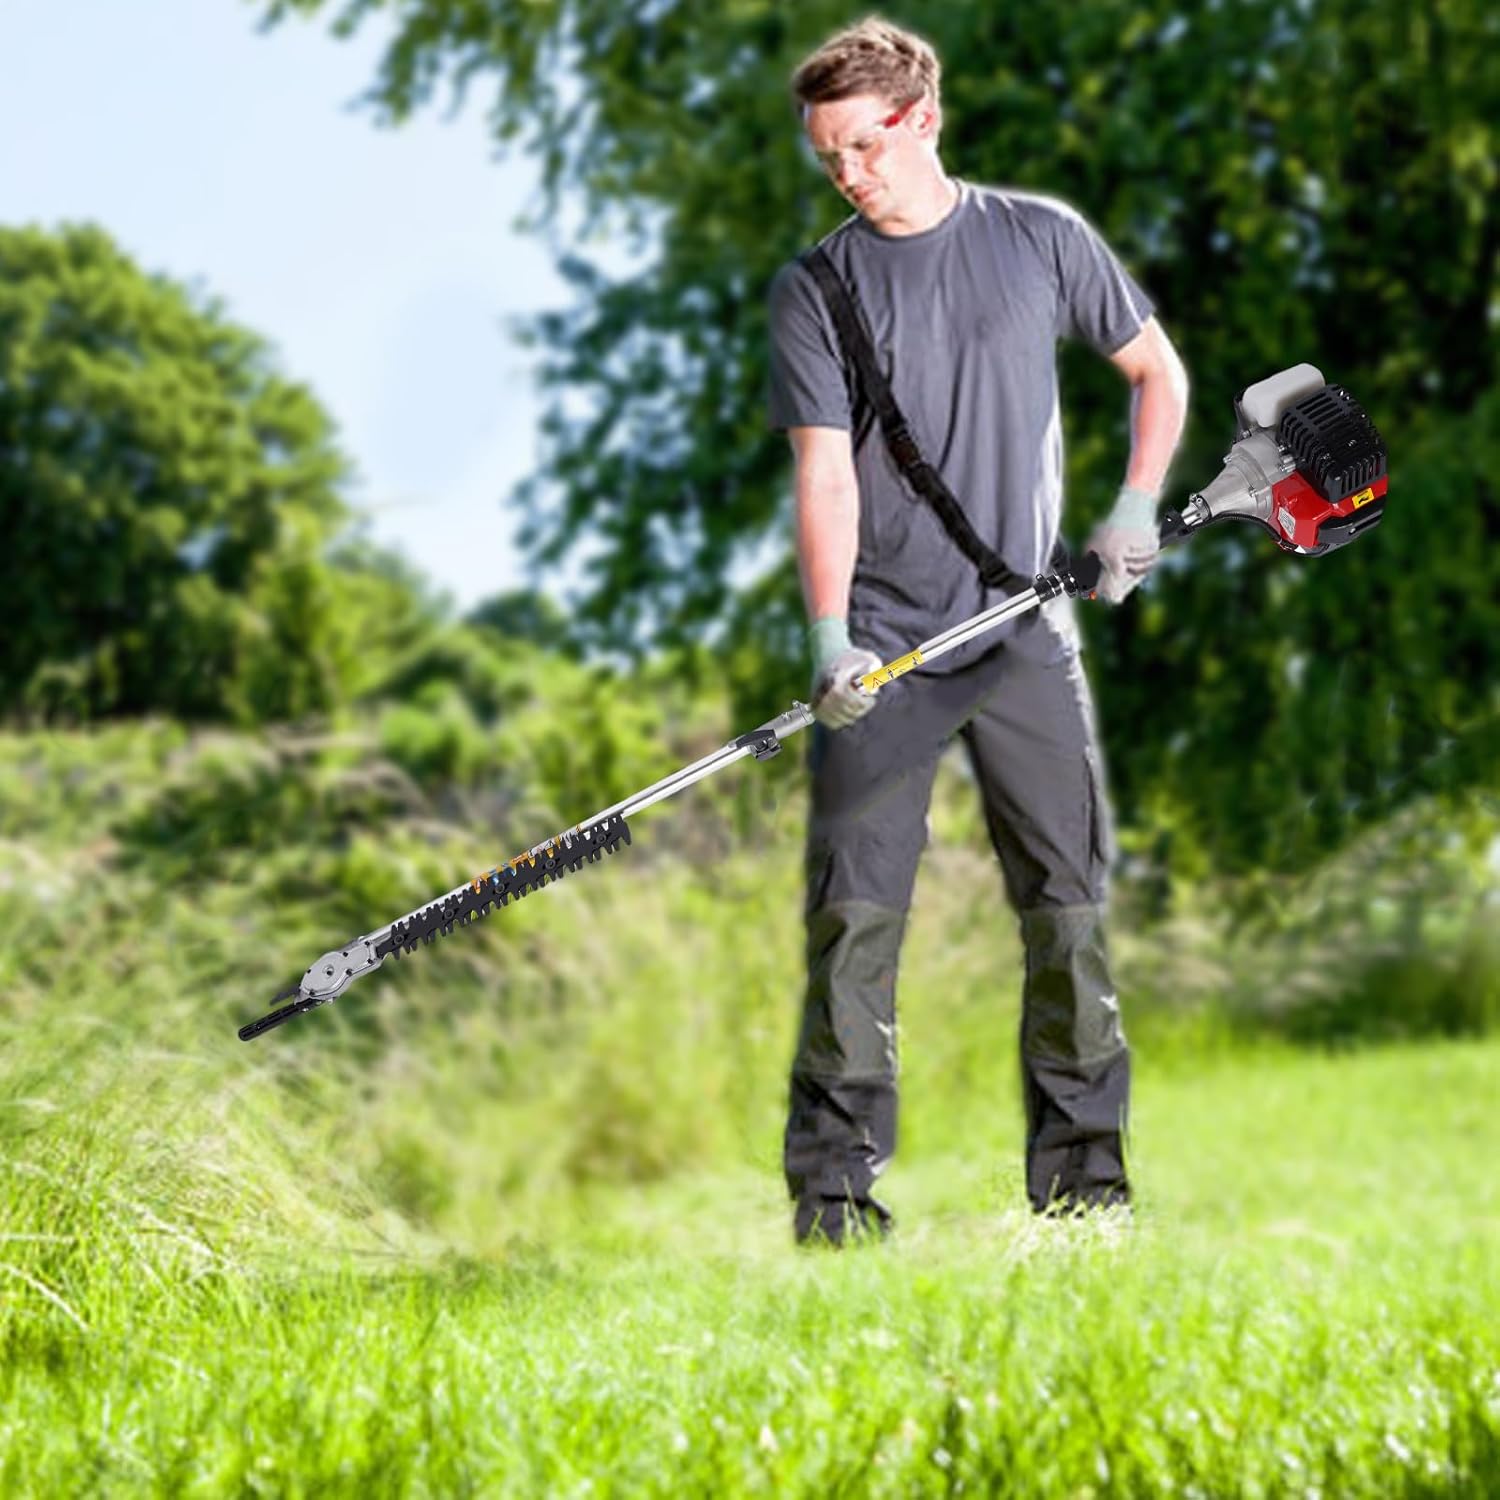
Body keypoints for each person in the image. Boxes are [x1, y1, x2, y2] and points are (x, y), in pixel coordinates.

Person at [767, 18, 1189, 1245]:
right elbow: (825, 475)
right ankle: (835, 1203)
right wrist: (831, 637)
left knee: (1068, 907)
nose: (848, 173)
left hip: (1025, 634)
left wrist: (1133, 509)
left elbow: (1156, 374)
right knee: (856, 919)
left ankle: (1085, 1193)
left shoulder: (1039, 239)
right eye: (829, 156)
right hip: (886, 652)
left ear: (923, 119)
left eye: (863, 146)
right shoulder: (818, 289)